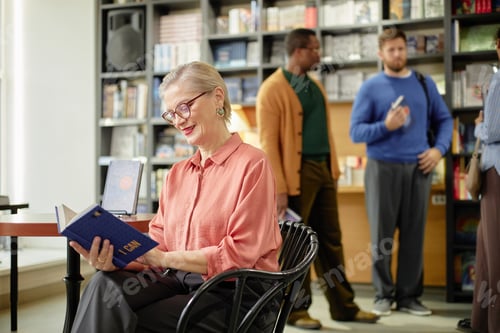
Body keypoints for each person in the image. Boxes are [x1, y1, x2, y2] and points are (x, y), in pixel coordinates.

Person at [69, 61, 283, 333]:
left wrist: (163, 260)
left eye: (185, 107)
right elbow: (159, 243)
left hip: (234, 293)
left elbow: (238, 256)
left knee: (133, 319)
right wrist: (117, 259)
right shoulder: (177, 173)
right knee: (103, 284)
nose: (179, 120)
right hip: (178, 279)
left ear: (218, 97)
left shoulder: (252, 164)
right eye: (171, 114)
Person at [256, 27, 379, 330]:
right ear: (298, 51)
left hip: (322, 171)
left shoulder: (314, 86)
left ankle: (343, 307)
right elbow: (268, 143)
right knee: (296, 247)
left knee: (331, 241)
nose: (319, 54)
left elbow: (325, 134)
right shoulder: (272, 89)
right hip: (296, 175)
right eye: (314, 49)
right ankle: (296, 311)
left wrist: (332, 171)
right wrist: (280, 189)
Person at [350, 27, 453, 317]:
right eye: (391, 50)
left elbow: (444, 120)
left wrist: (438, 150)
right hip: (382, 168)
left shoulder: (424, 83)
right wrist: (386, 126)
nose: (398, 54)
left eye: (401, 48)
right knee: (382, 236)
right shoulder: (371, 87)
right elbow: (356, 132)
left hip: (419, 168)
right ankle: (383, 295)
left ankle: (409, 297)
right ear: (381, 54)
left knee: (413, 236)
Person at [457, 27, 500, 333]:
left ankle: (487, 322)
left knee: (491, 255)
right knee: (489, 254)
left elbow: (493, 131)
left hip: (495, 173)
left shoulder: (497, 79)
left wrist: (478, 128)